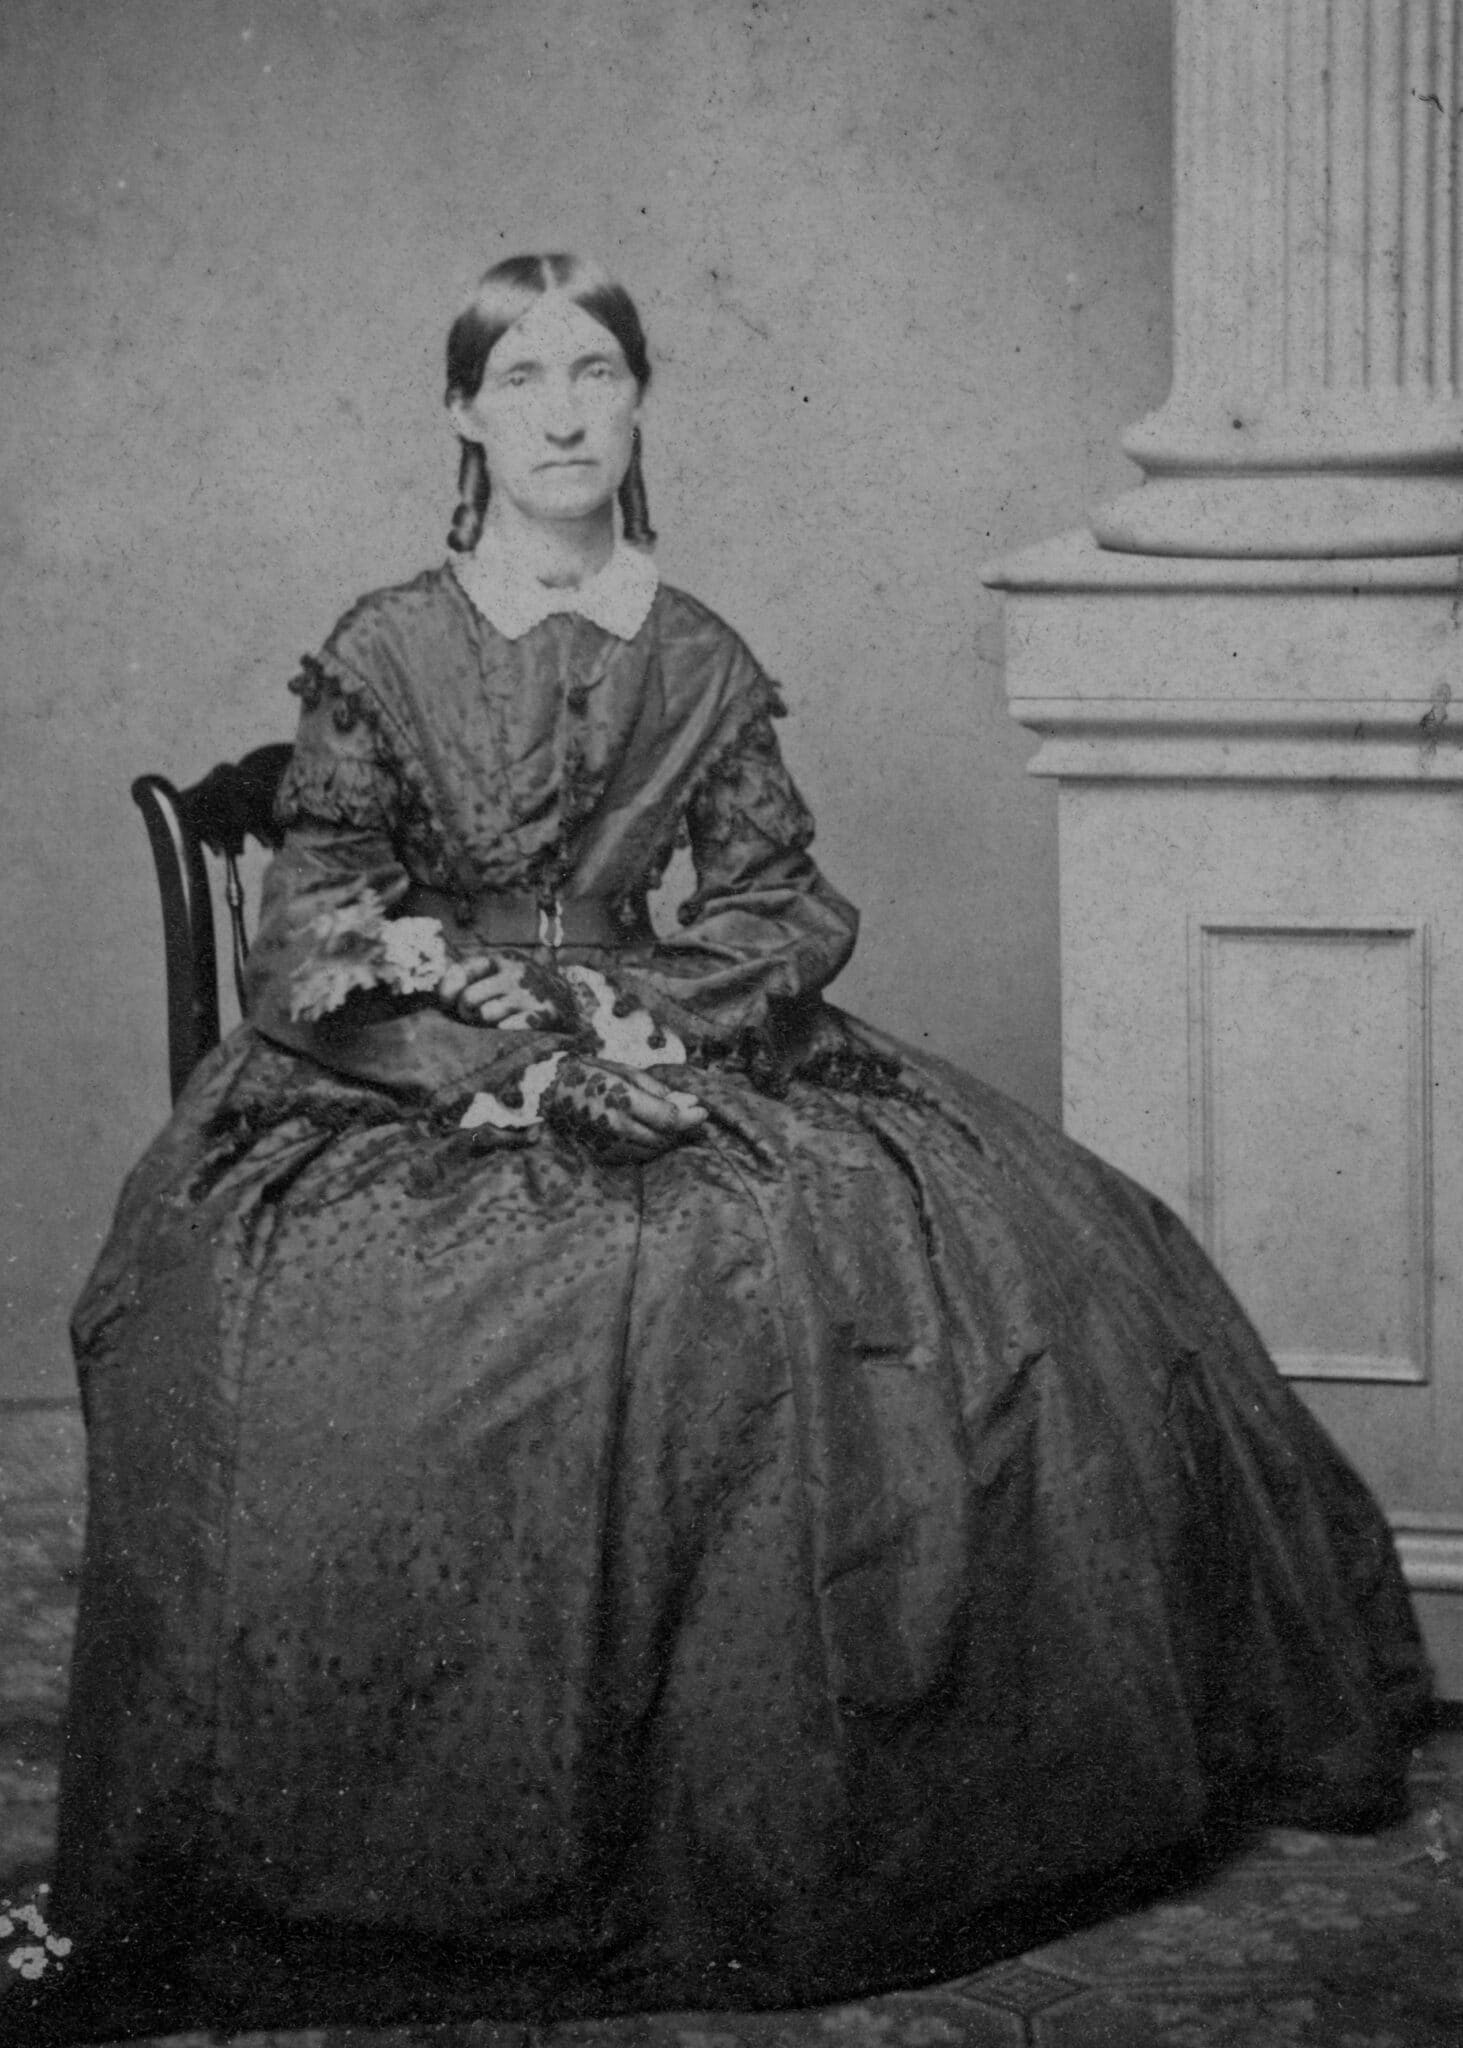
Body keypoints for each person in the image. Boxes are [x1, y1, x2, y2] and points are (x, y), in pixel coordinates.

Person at [7, 253, 1429, 2045]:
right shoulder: (385, 647)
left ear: (640, 401)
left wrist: (648, 1013)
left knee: (905, 1263)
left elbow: (775, 900)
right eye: (521, 378)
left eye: (595, 372)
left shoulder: (696, 652)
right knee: (377, 1308)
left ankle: (744, 1813)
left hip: (655, 1023)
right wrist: (484, 1053)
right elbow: (316, 923)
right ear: (463, 415)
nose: (563, 414)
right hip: (398, 1062)